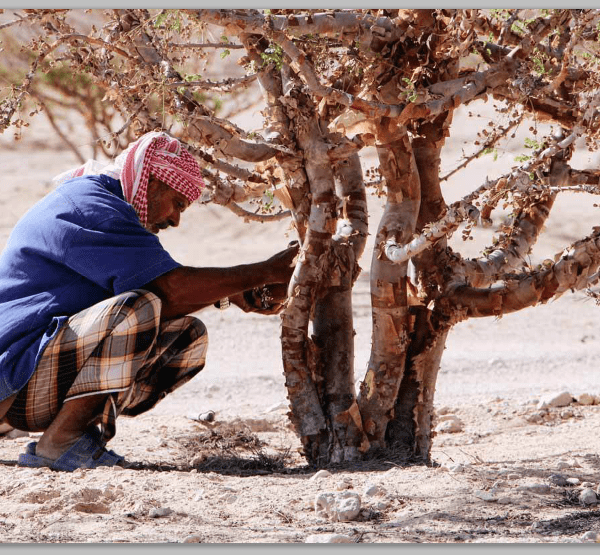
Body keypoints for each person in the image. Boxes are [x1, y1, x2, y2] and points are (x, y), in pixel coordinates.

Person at [0, 131, 298, 471]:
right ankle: (62, 442)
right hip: (13, 374)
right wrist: (265, 271)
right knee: (137, 310)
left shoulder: (102, 202)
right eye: (178, 203)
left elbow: (165, 293)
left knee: (186, 335)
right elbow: (167, 292)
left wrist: (235, 295)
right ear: (152, 182)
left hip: (29, 378)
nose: (175, 219)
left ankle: (75, 434)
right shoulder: (88, 206)